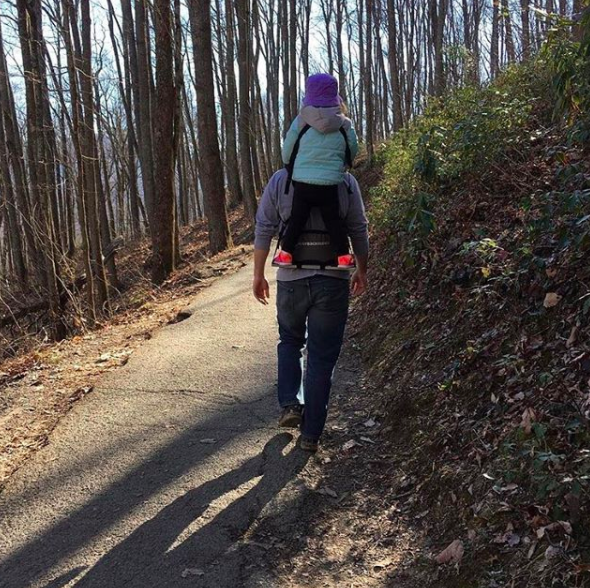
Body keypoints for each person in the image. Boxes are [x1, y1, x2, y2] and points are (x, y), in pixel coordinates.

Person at [254, 167, 369, 453]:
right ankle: (311, 434)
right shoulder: (345, 181)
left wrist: (258, 274)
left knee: (290, 340)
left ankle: (291, 404)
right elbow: (358, 228)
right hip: (333, 279)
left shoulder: (281, 179)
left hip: (291, 279)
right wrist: (362, 269)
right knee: (321, 357)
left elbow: (264, 226)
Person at [273, 73, 359, 269]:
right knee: (334, 221)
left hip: (303, 183)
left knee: (297, 219)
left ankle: (286, 255)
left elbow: (288, 149)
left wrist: (289, 164)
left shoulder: (301, 121)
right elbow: (352, 148)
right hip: (330, 183)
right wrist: (343, 164)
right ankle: (344, 257)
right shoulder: (344, 123)